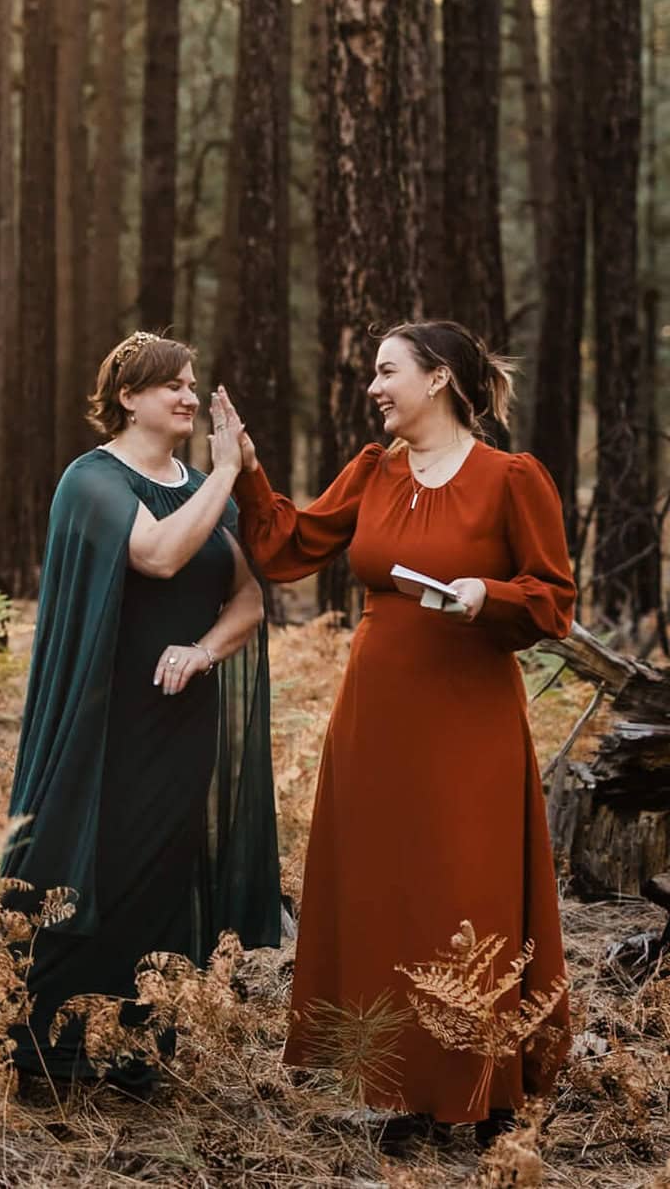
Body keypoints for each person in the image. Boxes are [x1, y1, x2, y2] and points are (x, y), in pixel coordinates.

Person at [223, 319, 572, 1141]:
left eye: (387, 372)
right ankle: (410, 1089)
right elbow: (285, 544)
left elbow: (554, 598)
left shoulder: (511, 478)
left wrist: (491, 594)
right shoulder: (372, 472)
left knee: (469, 887)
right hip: (376, 715)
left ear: (440, 378)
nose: (374, 388)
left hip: (470, 712)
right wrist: (243, 470)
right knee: (392, 890)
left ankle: (488, 1087)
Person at [1, 331, 284, 1090]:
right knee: (82, 864)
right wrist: (225, 474)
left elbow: (250, 600)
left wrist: (203, 651)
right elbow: (157, 553)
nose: (190, 396)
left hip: (180, 718)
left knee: (161, 872)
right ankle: (34, 1045)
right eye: (173, 386)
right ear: (128, 397)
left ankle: (131, 1046)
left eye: (194, 384)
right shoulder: (91, 480)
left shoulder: (203, 482)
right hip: (103, 717)